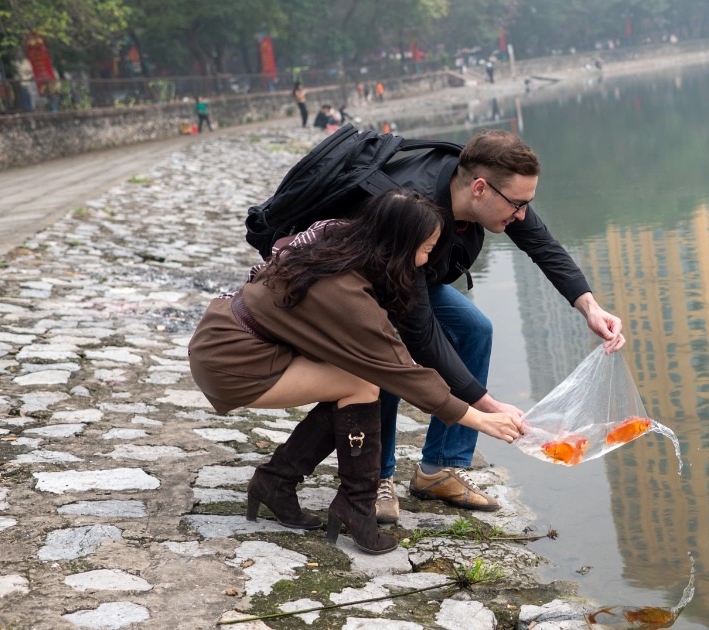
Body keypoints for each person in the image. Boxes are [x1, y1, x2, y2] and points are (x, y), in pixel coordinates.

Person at [188, 190, 523, 554]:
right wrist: (479, 418)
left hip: (226, 334)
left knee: (354, 380)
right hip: (233, 360)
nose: (427, 259)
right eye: (426, 247)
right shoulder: (344, 293)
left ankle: (276, 483)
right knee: (361, 384)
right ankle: (355, 504)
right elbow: (400, 369)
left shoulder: (337, 237)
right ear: (398, 244)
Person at [371, 129, 625, 521]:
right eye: (517, 205)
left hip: (419, 281)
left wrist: (588, 306)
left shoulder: (497, 194)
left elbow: (543, 245)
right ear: (479, 189)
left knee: (475, 329)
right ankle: (375, 477)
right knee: (389, 357)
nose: (522, 215)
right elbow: (420, 333)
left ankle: (439, 469)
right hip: (367, 289)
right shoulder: (413, 207)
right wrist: (485, 405)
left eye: (528, 204)